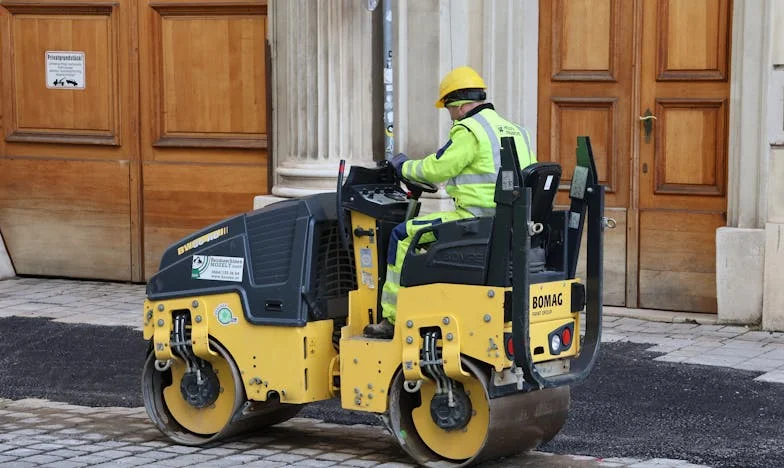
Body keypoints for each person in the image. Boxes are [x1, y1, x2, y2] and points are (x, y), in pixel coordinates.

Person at [363, 66, 536, 339]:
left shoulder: (469, 130)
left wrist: (403, 167)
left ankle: (391, 320)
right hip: (508, 223)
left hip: (475, 221)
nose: (450, 115)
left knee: (402, 236)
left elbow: (437, 169)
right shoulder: (516, 130)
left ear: (458, 105)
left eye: (448, 108)